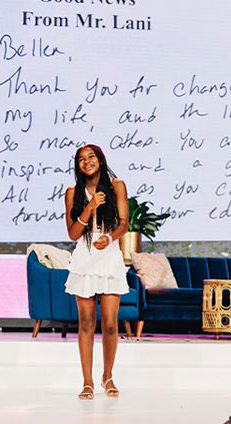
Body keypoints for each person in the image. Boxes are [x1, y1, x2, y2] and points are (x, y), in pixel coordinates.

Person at [64, 144, 129, 400]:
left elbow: (124, 223)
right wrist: (89, 208)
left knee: (111, 324)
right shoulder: (72, 192)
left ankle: (108, 376)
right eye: (81, 159)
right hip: (85, 256)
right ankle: (88, 381)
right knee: (87, 322)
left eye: (91, 157)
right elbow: (72, 234)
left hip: (108, 254)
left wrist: (110, 238)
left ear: (100, 160)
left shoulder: (117, 186)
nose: (86, 162)